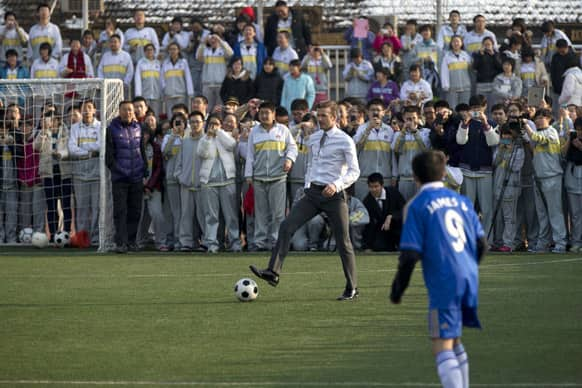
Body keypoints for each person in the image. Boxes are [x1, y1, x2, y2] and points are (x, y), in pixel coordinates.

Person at [390, 149, 488, 388]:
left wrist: (398, 289)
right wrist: (467, 266)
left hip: (445, 279)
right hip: (468, 275)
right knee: (454, 339)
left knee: (440, 343)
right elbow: (481, 243)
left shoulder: (417, 205)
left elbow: (410, 254)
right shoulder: (462, 201)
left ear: (414, 176)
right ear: (444, 173)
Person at [250, 100, 361, 300]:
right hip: (312, 193)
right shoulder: (314, 138)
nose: (320, 119)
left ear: (334, 118)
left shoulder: (345, 140)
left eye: (324, 115)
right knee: (286, 226)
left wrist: (336, 185)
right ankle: (273, 272)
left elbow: (355, 171)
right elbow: (312, 164)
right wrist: (309, 184)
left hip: (334, 195)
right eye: (319, 115)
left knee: (343, 241)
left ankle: (352, 287)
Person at [244, 101, 298, 251]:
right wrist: (249, 175)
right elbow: (250, 155)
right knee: (260, 213)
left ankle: (276, 241)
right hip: (259, 178)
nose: (264, 116)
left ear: (274, 114)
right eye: (261, 113)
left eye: (267, 113)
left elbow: (293, 148)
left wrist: (289, 160)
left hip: (278, 178)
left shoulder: (283, 130)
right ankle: (260, 243)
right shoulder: (254, 132)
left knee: (278, 213)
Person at [523, 108, 567, 253]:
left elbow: (538, 139)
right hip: (538, 177)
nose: (537, 120)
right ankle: (543, 244)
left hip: (552, 176)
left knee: (555, 212)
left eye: (541, 117)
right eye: (536, 118)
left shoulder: (551, 132)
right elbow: (532, 146)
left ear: (548, 118)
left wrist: (526, 125)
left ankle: (560, 243)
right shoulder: (536, 133)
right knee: (542, 214)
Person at [106, 100, 147, 253]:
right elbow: (109, 155)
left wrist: (144, 168)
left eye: (130, 110)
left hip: (136, 177)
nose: (128, 112)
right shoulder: (111, 129)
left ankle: (131, 241)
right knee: (120, 211)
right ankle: (121, 243)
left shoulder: (139, 128)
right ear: (119, 111)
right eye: (124, 110)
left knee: (135, 211)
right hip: (120, 179)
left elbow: (141, 150)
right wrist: (116, 169)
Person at [456, 95, 499, 241]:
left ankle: (487, 240)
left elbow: (493, 142)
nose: (476, 111)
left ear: (484, 107)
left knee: (487, 209)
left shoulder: (491, 123)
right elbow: (460, 141)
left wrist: (486, 123)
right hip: (467, 171)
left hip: (485, 171)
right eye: (473, 108)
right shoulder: (464, 123)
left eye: (478, 108)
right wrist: (465, 124)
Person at [197, 115, 241, 253]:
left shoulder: (225, 136)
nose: (213, 126)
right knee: (211, 216)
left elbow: (232, 145)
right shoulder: (204, 139)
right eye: (211, 124)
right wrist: (209, 137)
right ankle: (212, 244)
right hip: (209, 182)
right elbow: (202, 153)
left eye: (216, 124)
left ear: (221, 125)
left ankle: (235, 243)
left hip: (227, 180)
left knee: (231, 215)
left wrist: (219, 132)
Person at [33, 110, 72, 243]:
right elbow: (36, 146)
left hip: (64, 172)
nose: (50, 121)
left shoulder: (66, 132)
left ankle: (66, 233)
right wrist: (43, 131)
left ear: (58, 119)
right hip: (49, 173)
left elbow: (70, 148)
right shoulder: (43, 132)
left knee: (66, 204)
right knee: (51, 205)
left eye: (53, 118)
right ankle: (53, 234)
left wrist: (60, 154)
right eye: (47, 119)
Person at [68, 100, 101, 246]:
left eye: (89, 108)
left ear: (94, 110)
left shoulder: (101, 126)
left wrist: (83, 148)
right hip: (79, 175)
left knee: (97, 208)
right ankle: (82, 238)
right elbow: (71, 149)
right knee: (81, 208)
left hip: (97, 175)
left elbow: (101, 145)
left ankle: (95, 238)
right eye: (84, 108)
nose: (87, 111)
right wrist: (89, 152)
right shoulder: (75, 127)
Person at [173, 111, 204, 252]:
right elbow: (178, 163)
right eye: (192, 122)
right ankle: (185, 242)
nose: (195, 125)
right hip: (185, 185)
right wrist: (180, 177)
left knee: (203, 215)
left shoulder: (206, 141)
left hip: (202, 185)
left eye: (198, 121)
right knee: (185, 215)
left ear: (203, 123)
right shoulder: (184, 142)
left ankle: (206, 241)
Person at [353, 98, 396, 199]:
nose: (375, 112)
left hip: (385, 178)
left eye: (378, 110)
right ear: (367, 112)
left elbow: (392, 155)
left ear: (383, 112)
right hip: (365, 178)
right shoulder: (362, 128)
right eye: (372, 110)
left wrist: (394, 175)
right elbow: (355, 147)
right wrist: (368, 129)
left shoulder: (389, 130)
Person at [392, 105, 432, 200]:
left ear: (418, 118)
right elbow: (395, 149)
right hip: (404, 179)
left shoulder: (425, 132)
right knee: (404, 208)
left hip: (420, 178)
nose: (410, 121)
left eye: (413, 118)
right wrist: (403, 132)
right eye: (408, 119)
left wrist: (415, 132)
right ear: (403, 119)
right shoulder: (398, 134)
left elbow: (426, 150)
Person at [362, 172, 405, 251]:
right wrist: (367, 246)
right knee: (379, 247)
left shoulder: (393, 193)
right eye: (371, 187)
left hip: (398, 227)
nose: (373, 189)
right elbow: (369, 225)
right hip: (381, 231)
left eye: (376, 186)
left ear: (382, 185)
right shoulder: (367, 201)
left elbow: (404, 209)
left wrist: (391, 216)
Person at [196, 32, 233, 110]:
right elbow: (198, 57)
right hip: (207, 84)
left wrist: (220, 41)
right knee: (207, 108)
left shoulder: (223, 51)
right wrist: (203, 43)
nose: (213, 40)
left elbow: (230, 53)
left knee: (220, 108)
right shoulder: (206, 50)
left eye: (215, 38)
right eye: (211, 39)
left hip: (220, 84)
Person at [564, 118, 582, 252]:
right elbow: (563, 154)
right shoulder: (573, 138)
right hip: (572, 178)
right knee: (574, 214)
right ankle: (575, 241)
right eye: (578, 129)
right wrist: (569, 140)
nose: (580, 132)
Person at [161, 42, 194, 116]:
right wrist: (164, 90)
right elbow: (162, 79)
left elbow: (188, 78)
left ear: (178, 50)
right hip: (169, 95)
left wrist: (190, 93)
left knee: (181, 115)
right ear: (168, 51)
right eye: (171, 49)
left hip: (180, 95)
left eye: (175, 49)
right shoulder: (165, 63)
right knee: (170, 116)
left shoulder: (183, 62)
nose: (173, 51)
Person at [440, 36, 472, 109]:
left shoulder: (466, 55)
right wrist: (446, 86)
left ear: (461, 43)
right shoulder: (447, 56)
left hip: (465, 88)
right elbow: (444, 72)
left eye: (458, 41)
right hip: (452, 89)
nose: (456, 43)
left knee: (465, 108)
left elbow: (471, 70)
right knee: (452, 109)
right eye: (454, 41)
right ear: (451, 43)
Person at [134, 43, 162, 116]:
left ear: (154, 51)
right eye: (147, 50)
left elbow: (162, 80)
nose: (149, 51)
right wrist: (138, 95)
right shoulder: (141, 63)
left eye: (151, 50)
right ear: (144, 52)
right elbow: (137, 79)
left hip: (156, 95)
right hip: (144, 95)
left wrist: (162, 93)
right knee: (144, 115)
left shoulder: (158, 63)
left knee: (155, 115)